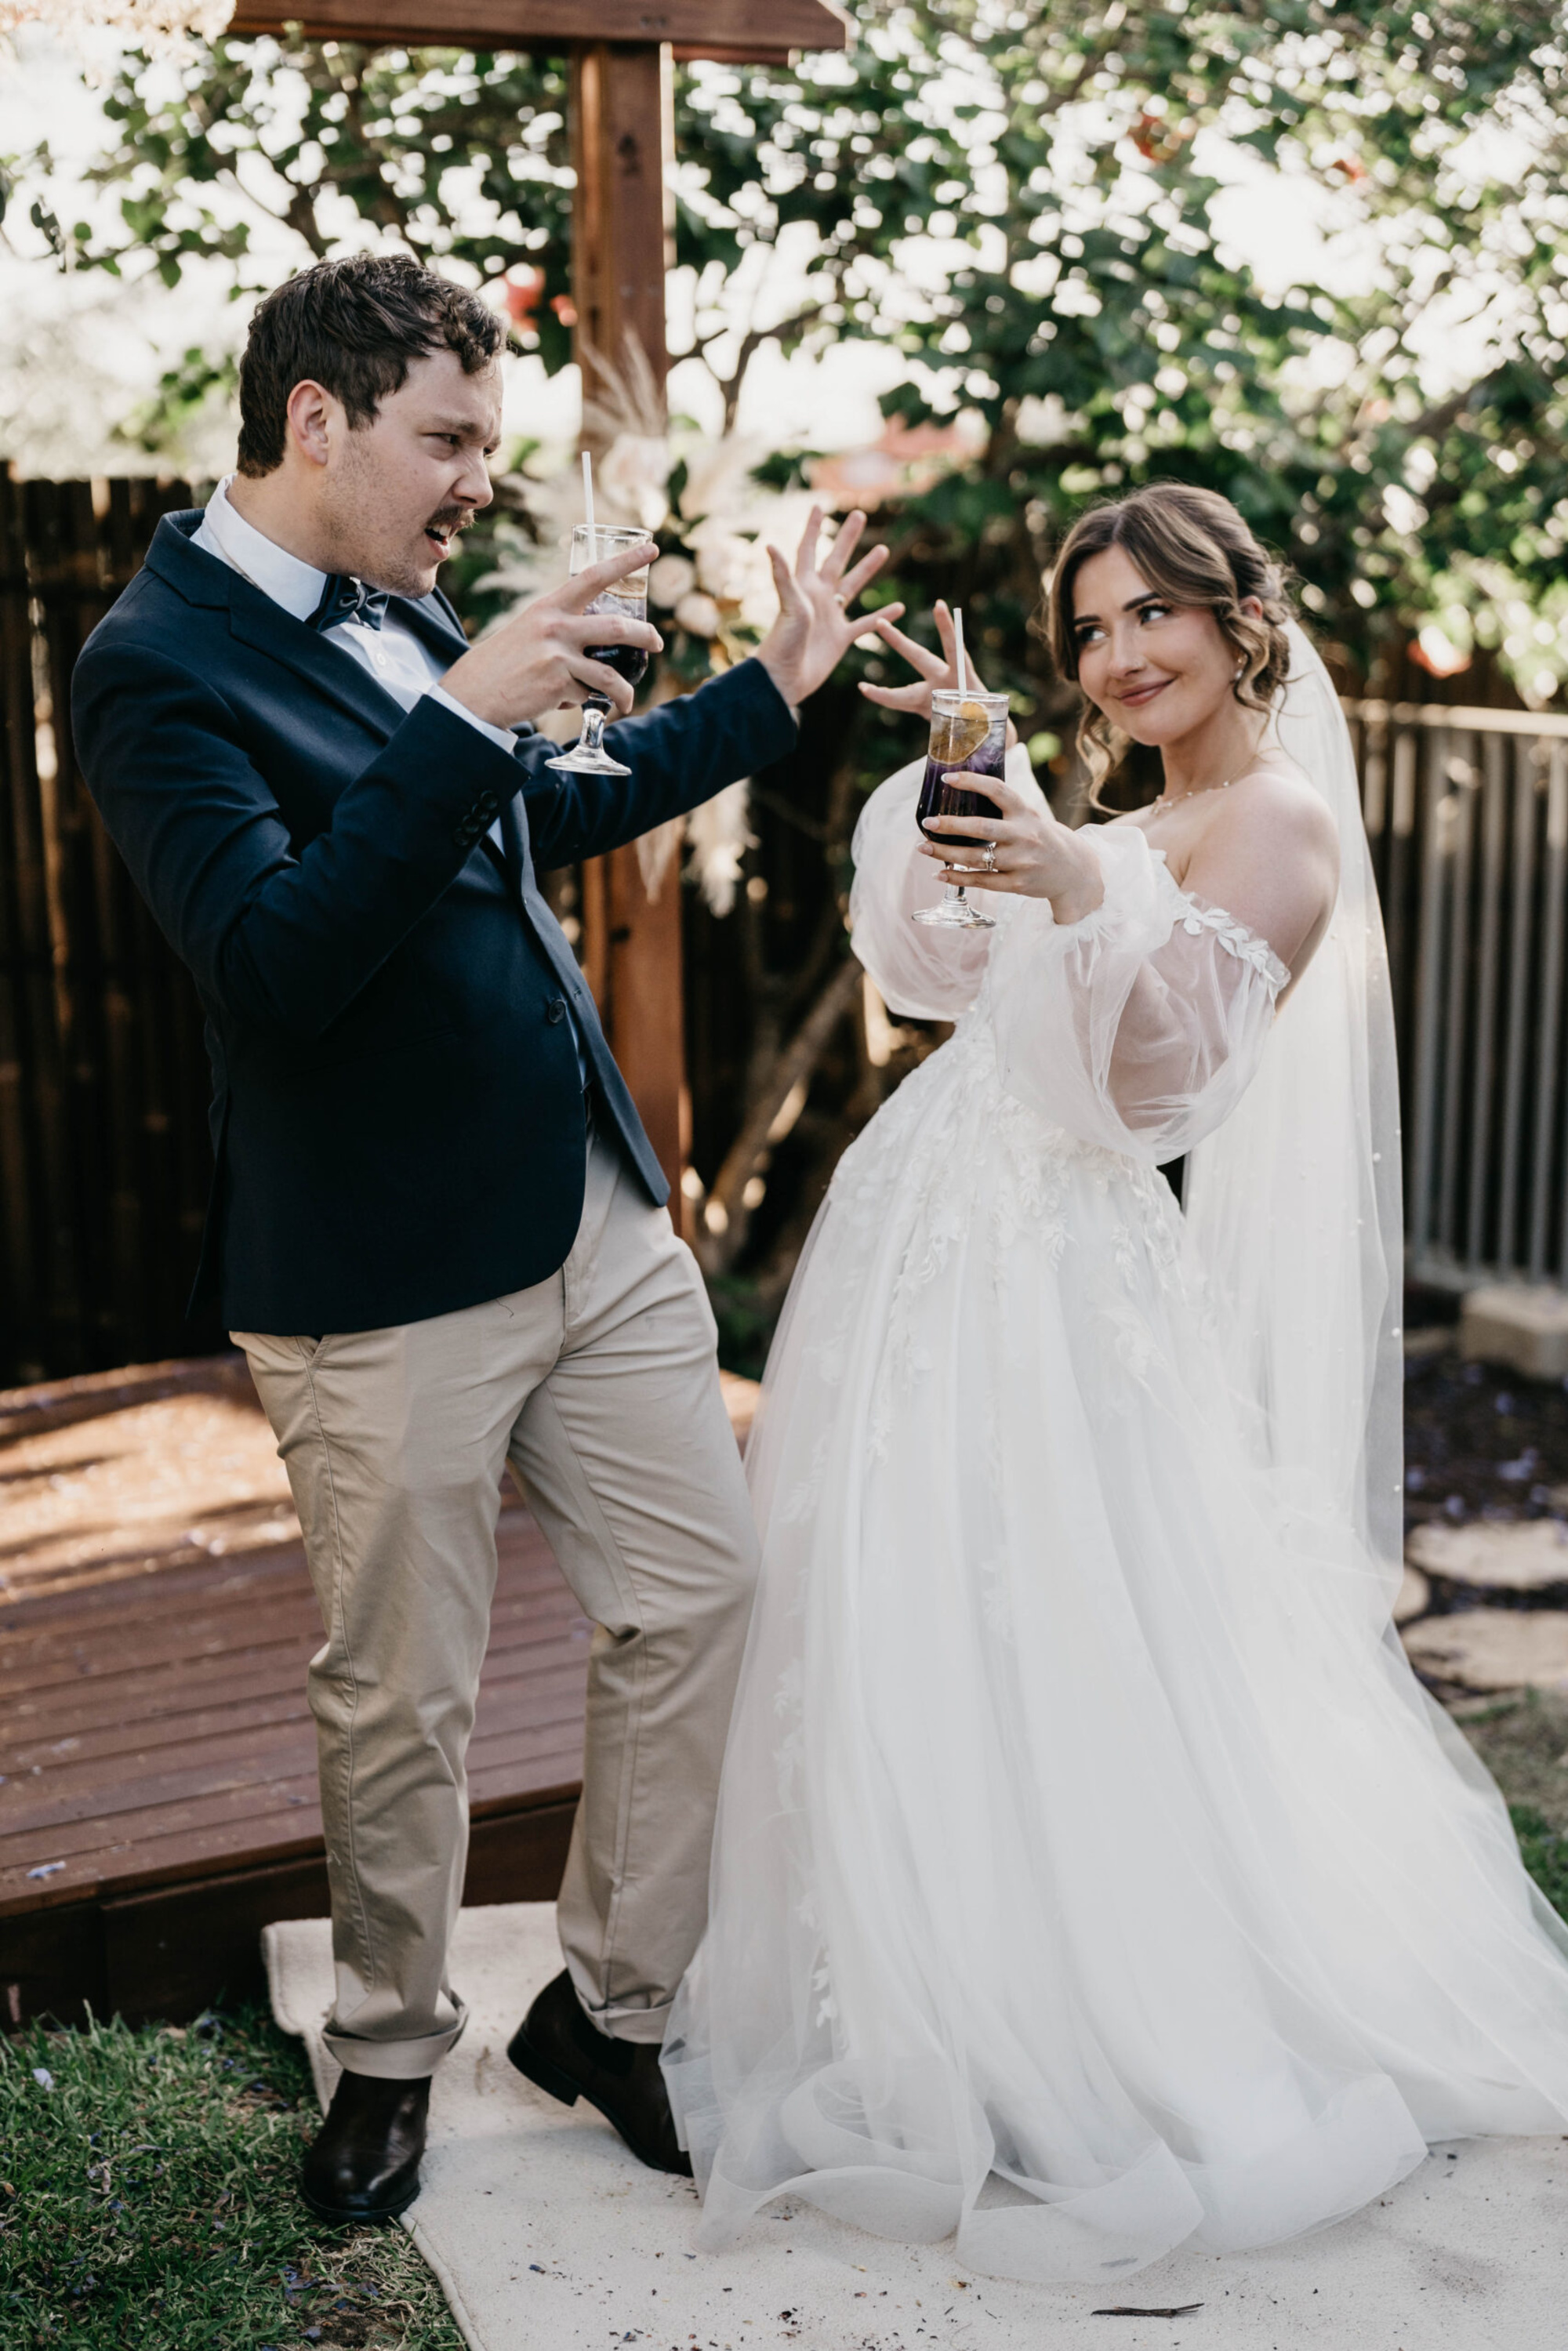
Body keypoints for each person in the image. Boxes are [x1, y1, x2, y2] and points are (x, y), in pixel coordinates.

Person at [71, 249, 898, 2225]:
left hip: (590, 1217)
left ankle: (611, 2001)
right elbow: (276, 967)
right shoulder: (152, 664)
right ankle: (383, 2054)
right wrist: (451, 713)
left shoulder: (397, 613)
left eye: (484, 447)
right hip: (377, 1269)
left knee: (699, 1601)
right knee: (404, 1697)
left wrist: (763, 702)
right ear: (316, 421)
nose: (470, 484)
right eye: (447, 443)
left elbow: (528, 816)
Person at [662, 483, 1568, 2284]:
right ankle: (949, 1996)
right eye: (1088, 630)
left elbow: (1153, 1083)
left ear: (1239, 618)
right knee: (913, 1622)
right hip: (921, 1255)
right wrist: (961, 798)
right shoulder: (1123, 817)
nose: (1117, 653)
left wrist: (1084, 886)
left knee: (1070, 1628)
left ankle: (1092, 2013)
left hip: (1060, 1280)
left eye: (1150, 611)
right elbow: (928, 981)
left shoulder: (1281, 823)